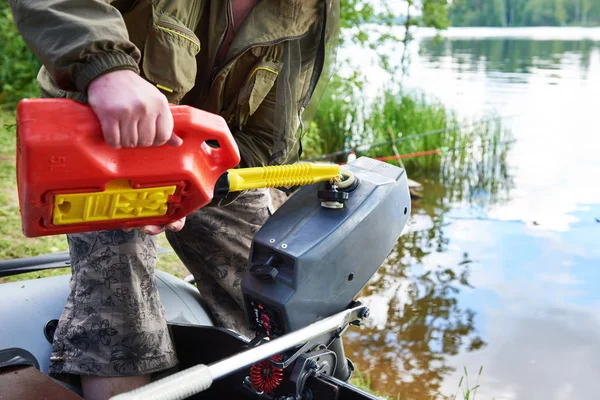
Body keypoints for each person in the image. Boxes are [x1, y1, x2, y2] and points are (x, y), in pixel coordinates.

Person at [8, 1, 340, 399]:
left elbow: (268, 137)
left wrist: (194, 184)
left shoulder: (309, 10)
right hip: (104, 146)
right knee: (119, 280)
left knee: (273, 281)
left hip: (210, 165)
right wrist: (105, 67)